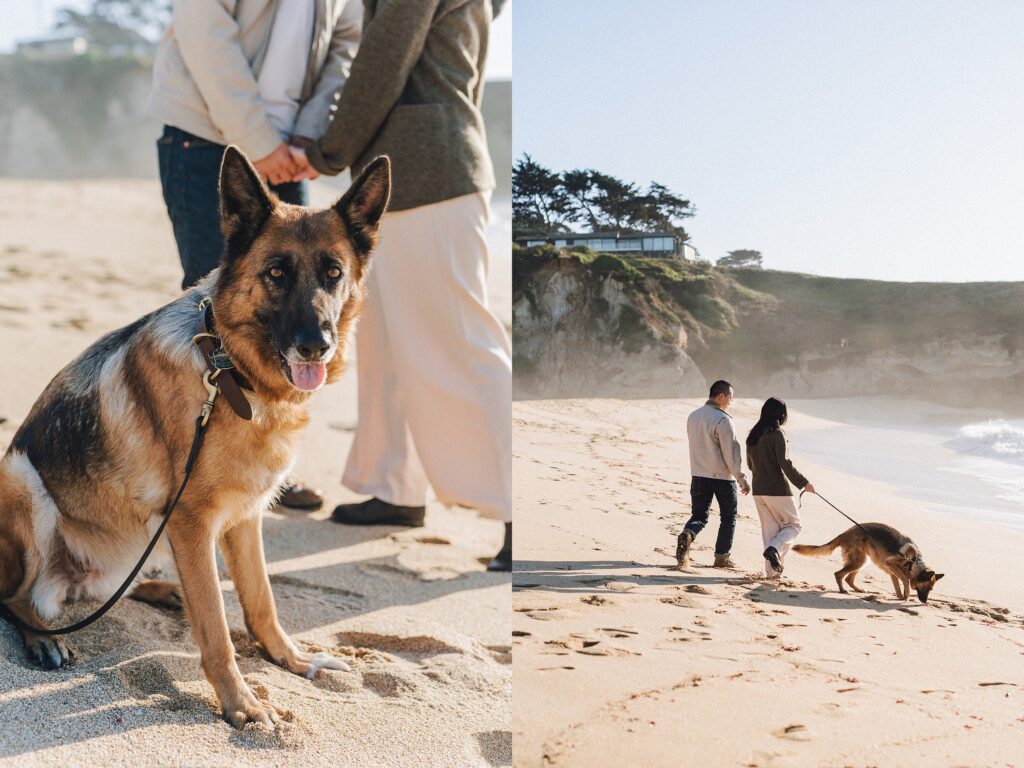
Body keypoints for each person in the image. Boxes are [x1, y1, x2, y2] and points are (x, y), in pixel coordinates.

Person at [288, 0, 512, 571]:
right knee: (384, 342)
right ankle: (395, 487)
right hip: (415, 171)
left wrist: (324, 153)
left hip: (429, 170)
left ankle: (518, 510)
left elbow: (384, 57)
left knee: (462, 344)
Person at [147, 0, 362, 509]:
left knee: (299, 310)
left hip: (288, 152)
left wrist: (307, 133)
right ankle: (197, 468)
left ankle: (266, 468)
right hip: (206, 137)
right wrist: (258, 140)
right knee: (216, 312)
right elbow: (205, 34)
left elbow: (345, 43)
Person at [676, 380, 751, 570]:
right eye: (730, 398)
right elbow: (731, 454)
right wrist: (742, 479)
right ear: (721, 396)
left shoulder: (693, 416)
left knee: (699, 515)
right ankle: (721, 558)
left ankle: (689, 533)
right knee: (728, 518)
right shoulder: (723, 420)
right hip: (722, 478)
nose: (730, 402)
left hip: (699, 474)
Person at [745, 397, 815, 578]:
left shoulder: (753, 435)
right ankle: (774, 549)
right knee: (794, 526)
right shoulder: (777, 434)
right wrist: (803, 483)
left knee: (770, 531)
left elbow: (751, 466)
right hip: (777, 490)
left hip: (758, 490)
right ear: (781, 415)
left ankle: (772, 575)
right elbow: (785, 463)